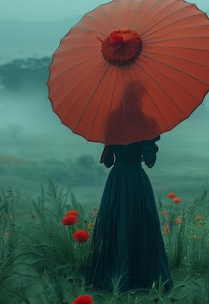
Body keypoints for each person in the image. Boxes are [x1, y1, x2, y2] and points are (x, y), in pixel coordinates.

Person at [85, 82, 172, 292]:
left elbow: (108, 162)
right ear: (141, 98)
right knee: (141, 224)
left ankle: (112, 277)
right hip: (136, 179)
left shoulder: (112, 119)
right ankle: (144, 278)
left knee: (113, 224)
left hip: (117, 181)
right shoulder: (146, 122)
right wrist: (151, 143)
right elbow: (149, 162)